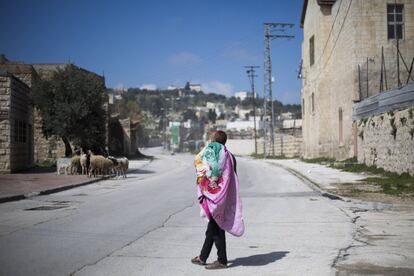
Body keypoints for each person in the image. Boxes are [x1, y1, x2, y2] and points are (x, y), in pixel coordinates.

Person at [192, 130, 244, 270]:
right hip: (224, 197)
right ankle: (203, 257)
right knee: (212, 228)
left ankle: (222, 260)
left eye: (211, 137)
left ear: (214, 139)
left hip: (215, 197)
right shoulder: (230, 156)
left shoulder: (214, 152)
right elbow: (232, 178)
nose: (210, 139)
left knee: (216, 228)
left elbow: (206, 167)